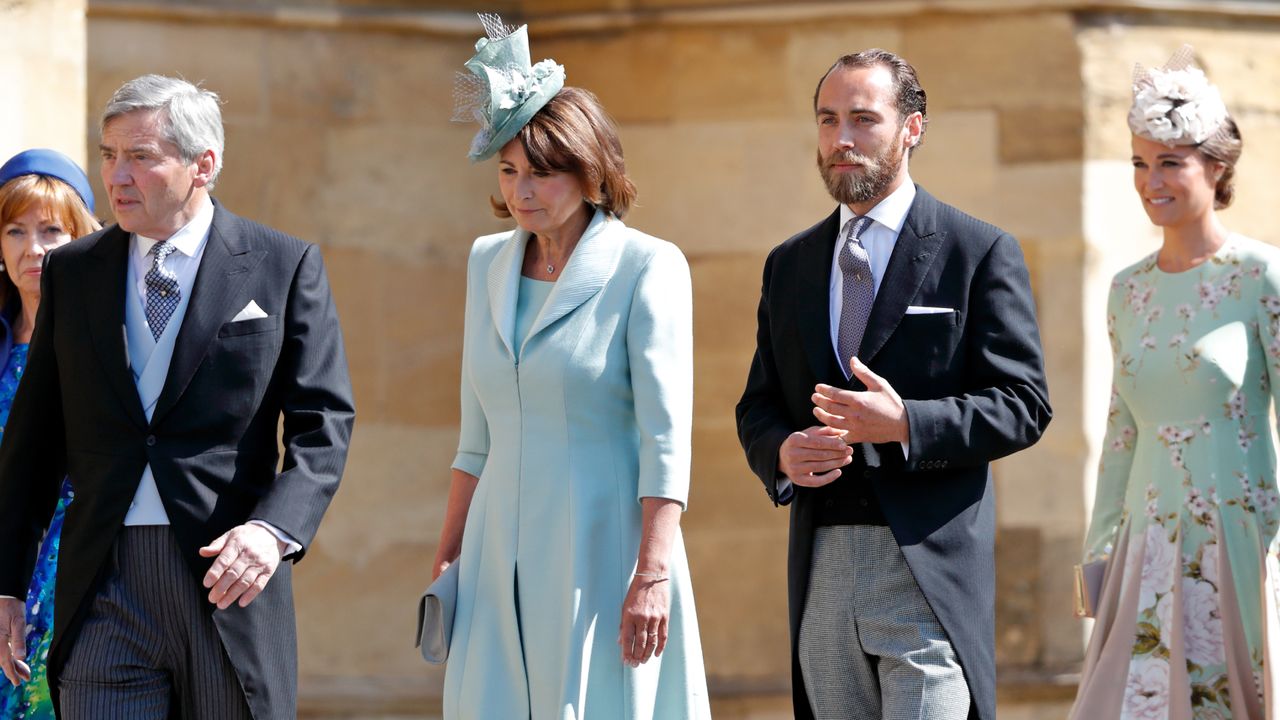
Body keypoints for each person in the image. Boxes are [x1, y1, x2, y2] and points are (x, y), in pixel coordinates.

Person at [0, 75, 355, 719]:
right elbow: (34, 441)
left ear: (204, 165)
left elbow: (322, 424)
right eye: (108, 155)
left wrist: (274, 532)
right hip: (103, 586)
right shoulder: (74, 273)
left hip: (229, 584)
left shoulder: (282, 265)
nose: (116, 176)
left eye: (141, 155)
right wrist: (5, 585)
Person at [735, 49, 1052, 720]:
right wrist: (782, 454)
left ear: (912, 128)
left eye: (862, 119)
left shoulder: (978, 250)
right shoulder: (789, 264)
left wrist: (907, 422)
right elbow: (758, 405)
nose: (841, 140)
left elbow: (1024, 404)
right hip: (820, 569)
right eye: (827, 120)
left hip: (928, 573)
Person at [433, 14, 710, 719]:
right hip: (495, 553)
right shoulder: (484, 263)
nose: (523, 190)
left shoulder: (648, 265)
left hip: (601, 549)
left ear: (589, 172)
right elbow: (475, 439)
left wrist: (652, 575)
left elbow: (665, 442)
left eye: (543, 172)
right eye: (509, 170)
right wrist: (449, 560)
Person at [1071, 46, 1277, 719]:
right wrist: (1095, 563)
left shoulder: (1261, 278)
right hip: (1144, 548)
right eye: (1138, 160)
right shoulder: (1126, 290)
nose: (1149, 180)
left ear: (1216, 168)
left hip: (1243, 546)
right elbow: (1120, 431)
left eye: (1169, 162)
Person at [0, 149, 99, 720]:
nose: (32, 247)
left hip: (72, 561)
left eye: (50, 230)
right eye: (15, 230)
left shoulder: (110, 333)